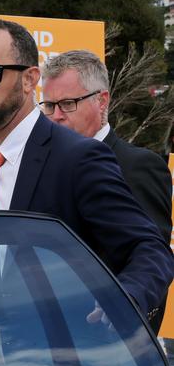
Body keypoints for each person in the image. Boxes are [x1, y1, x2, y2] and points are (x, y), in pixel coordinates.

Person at [0, 19, 173, 327]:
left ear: (29, 79)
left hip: (65, 359)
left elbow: (149, 249)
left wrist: (126, 302)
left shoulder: (79, 158)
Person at [41, 50, 172, 243]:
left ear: (101, 101)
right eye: (50, 106)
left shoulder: (138, 167)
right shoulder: (41, 164)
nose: (56, 116)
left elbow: (152, 258)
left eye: (68, 103)